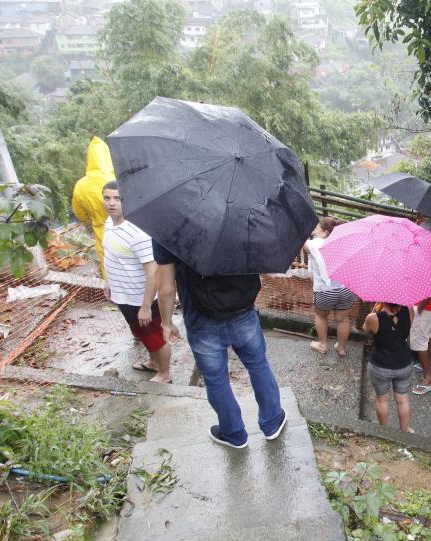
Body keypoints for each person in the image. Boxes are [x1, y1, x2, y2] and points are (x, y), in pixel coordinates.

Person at [154, 242, 285, 449]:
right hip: (243, 310)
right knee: (258, 364)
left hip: (201, 318)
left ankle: (233, 434)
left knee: (216, 380)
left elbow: (166, 287)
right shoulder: (243, 214)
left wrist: (167, 322)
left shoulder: (168, 226)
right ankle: (272, 422)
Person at [101, 181, 171, 384]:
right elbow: (110, 256)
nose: (112, 203)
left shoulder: (137, 232)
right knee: (142, 333)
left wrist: (146, 306)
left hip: (141, 298)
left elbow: (153, 271)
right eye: (107, 198)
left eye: (117, 198)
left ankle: (165, 374)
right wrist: (108, 282)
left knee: (157, 336)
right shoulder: (108, 223)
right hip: (123, 295)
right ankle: (153, 363)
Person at [304, 217, 356, 357]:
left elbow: (299, 240)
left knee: (321, 316)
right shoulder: (346, 243)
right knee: (343, 319)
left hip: (325, 290)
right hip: (346, 289)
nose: (315, 230)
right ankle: (341, 348)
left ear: (326, 231)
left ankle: (322, 345)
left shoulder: (316, 244)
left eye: (318, 228)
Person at [364, 302, 414, 432]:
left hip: (380, 365)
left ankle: (384, 432)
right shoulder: (409, 309)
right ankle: (404, 431)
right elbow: (405, 331)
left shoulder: (373, 317)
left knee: (382, 400)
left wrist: (374, 311)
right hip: (404, 363)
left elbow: (366, 329)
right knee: (403, 400)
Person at [72, 137, 115, 277]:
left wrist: (91, 220)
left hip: (102, 234)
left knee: (110, 271)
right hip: (127, 231)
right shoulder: (117, 179)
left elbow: (80, 213)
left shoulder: (80, 185)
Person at [410, 294, 431, 394]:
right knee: (429, 333)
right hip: (430, 304)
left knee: (419, 341)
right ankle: (430, 365)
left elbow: (428, 292)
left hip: (423, 305)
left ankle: (428, 379)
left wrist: (419, 309)